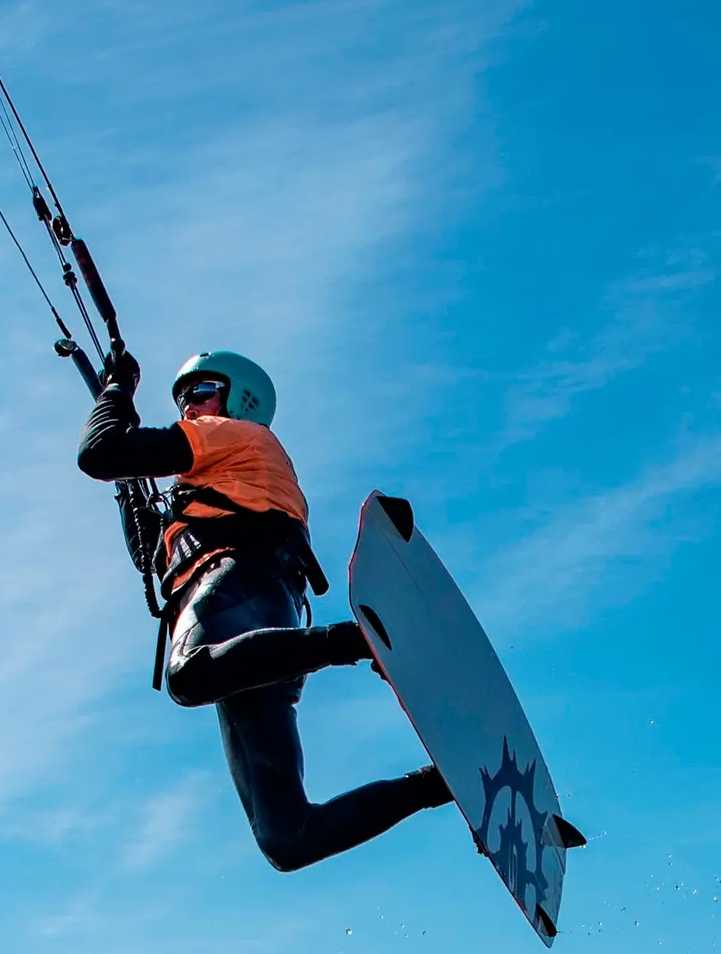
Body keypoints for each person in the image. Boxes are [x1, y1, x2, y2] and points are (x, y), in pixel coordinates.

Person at [78, 348, 451, 871]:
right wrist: (132, 493)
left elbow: (100, 453)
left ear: (236, 400)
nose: (187, 405)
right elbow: (147, 548)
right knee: (287, 839)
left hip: (243, 587)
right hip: (251, 640)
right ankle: (436, 786)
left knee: (187, 675)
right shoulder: (201, 483)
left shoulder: (237, 434)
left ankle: (358, 641)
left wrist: (116, 391)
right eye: (183, 397)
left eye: (200, 393)